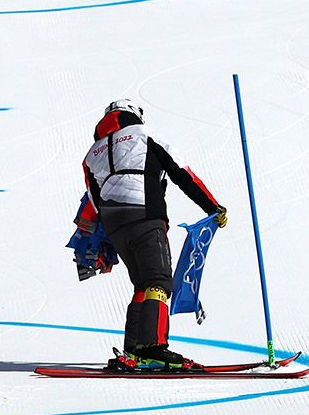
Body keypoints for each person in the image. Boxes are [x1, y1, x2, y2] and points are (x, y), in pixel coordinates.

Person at [78, 98, 228, 370]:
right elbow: (181, 173)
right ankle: (154, 348)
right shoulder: (144, 135)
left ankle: (134, 350)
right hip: (144, 213)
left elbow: (93, 196)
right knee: (158, 281)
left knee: (143, 284)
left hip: (115, 223)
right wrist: (213, 207)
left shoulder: (92, 154)